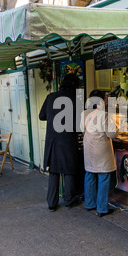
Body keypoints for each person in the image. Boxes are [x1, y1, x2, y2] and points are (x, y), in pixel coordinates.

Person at [39, 73, 82, 211]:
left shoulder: (51, 97)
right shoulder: (75, 100)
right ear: (75, 86)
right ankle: (69, 200)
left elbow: (41, 116)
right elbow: (79, 125)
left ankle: (52, 203)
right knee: (68, 170)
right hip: (68, 140)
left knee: (54, 171)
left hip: (52, 140)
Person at [80, 90, 118, 217]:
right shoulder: (104, 115)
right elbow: (112, 134)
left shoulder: (84, 114)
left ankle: (90, 204)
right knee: (104, 177)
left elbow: (81, 129)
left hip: (89, 148)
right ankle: (102, 208)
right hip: (101, 149)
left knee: (89, 175)